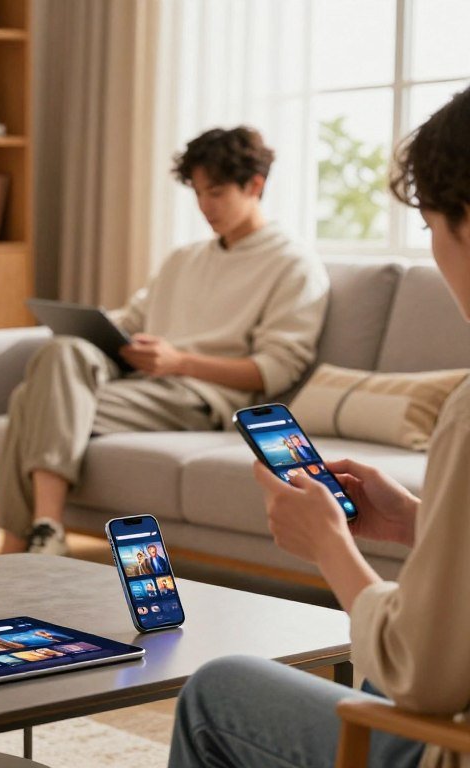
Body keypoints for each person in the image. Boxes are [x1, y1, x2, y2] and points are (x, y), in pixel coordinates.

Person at [167, 86, 470, 768]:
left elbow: (420, 672)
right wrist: (420, 523)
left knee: (217, 691)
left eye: (429, 227)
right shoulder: (188, 261)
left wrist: (329, 545)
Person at [0, 126, 330, 556]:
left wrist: (179, 362)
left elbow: (274, 370)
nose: (205, 207)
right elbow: (132, 319)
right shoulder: (185, 258)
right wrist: (89, 325)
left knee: (30, 401)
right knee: (63, 351)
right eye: (198, 193)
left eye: (217, 193)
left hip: (206, 396)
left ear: (255, 185)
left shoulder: (293, 265)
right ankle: (45, 531)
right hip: (145, 385)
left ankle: (24, 540)